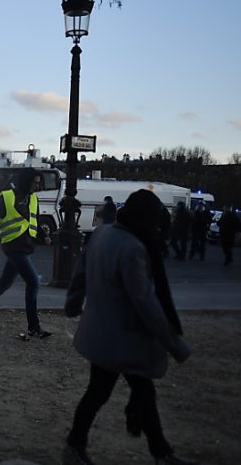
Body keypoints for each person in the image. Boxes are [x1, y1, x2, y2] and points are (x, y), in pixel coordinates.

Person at [63, 189, 195, 465]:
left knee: (99, 393)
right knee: (140, 393)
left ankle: (75, 447)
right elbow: (145, 302)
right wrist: (175, 344)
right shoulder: (134, 248)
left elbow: (80, 273)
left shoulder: (102, 234)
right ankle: (161, 454)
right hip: (125, 339)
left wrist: (73, 304)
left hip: (101, 334)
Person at [0, 167, 51, 339]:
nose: (36, 187)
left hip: (24, 247)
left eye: (38, 183)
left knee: (4, 283)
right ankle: (33, 328)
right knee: (33, 282)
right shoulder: (7, 198)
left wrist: (43, 236)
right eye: (33, 183)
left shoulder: (33, 199)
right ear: (25, 182)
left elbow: (32, 220)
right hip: (13, 246)